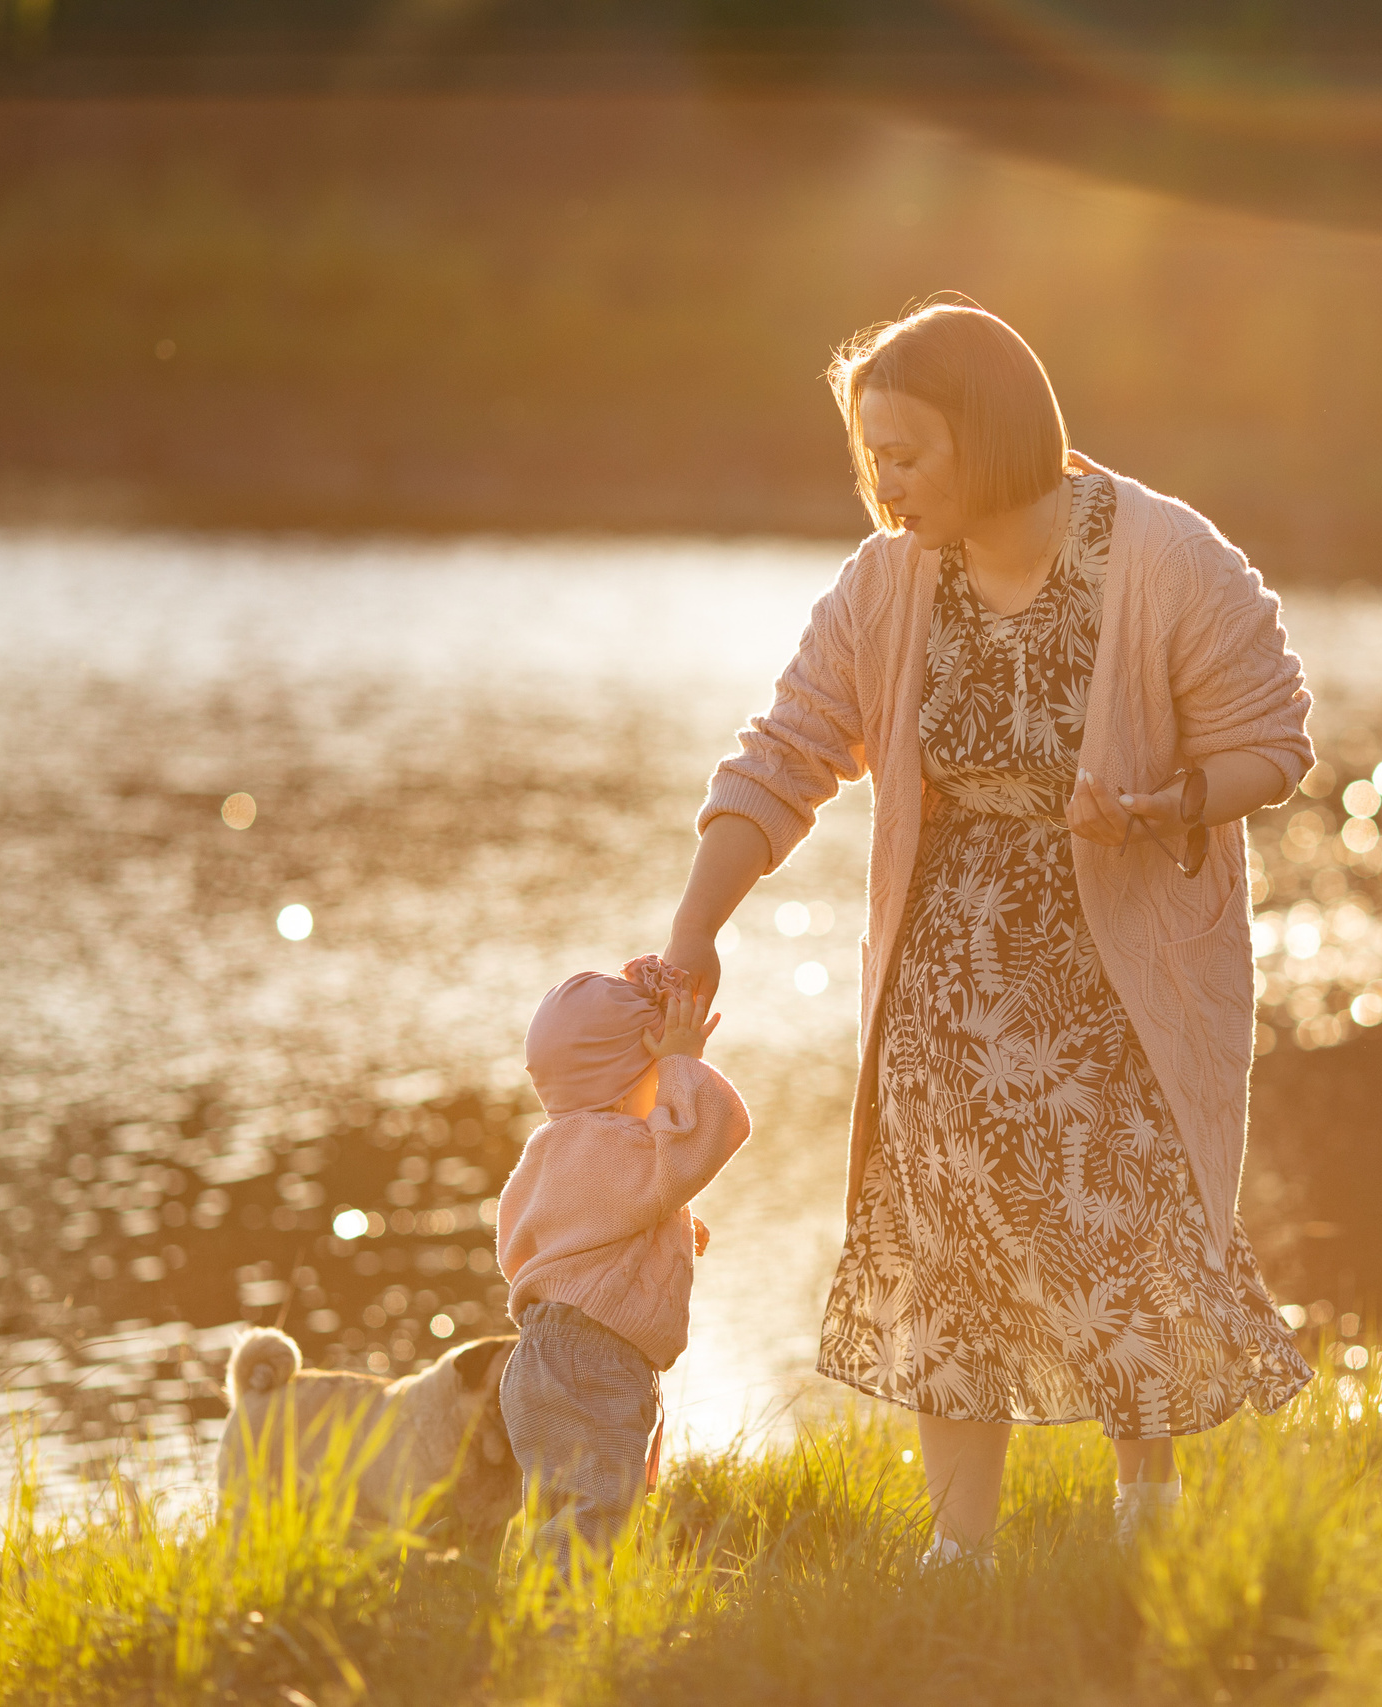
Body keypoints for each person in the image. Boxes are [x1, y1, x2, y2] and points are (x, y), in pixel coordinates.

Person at [663, 302, 1315, 1559]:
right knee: (944, 1259)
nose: (882, 482)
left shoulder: (1166, 557)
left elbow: (1270, 740)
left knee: (1127, 1234)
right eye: (871, 455)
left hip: (1109, 982)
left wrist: (1163, 804)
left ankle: (1148, 1513)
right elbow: (786, 753)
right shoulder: (888, 580)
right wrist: (697, 930)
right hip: (941, 991)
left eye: (906, 453)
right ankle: (957, 1551)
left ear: (995, 432)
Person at [495, 958, 747, 1576]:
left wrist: (671, 1227)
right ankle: (565, 1636)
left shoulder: (547, 1150)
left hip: (532, 1363)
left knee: (557, 1510)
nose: (663, 1093)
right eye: (656, 1076)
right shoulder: (621, 1145)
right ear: (633, 1076)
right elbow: (711, 1132)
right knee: (595, 1518)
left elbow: (545, 1243)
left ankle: (534, 1615)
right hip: (596, 1364)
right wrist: (684, 1060)